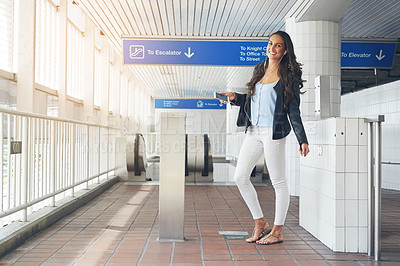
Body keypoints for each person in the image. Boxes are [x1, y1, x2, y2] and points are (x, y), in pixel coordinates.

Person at [220, 31, 309, 245]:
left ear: (285, 50)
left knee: (278, 181)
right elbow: (254, 101)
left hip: (273, 131)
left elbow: (293, 110)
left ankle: (277, 231)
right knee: (240, 177)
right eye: (270, 43)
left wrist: (301, 138)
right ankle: (261, 223)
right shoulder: (259, 69)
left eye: (278, 45)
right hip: (253, 131)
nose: (272, 48)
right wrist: (235, 98)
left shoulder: (289, 76)